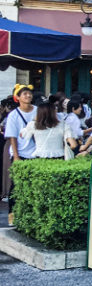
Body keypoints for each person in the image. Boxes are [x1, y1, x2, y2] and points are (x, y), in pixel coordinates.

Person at [4, 85, 37, 220]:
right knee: (16, 186)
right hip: (21, 154)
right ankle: (12, 215)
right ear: (17, 97)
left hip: (36, 153)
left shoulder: (38, 111)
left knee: (34, 185)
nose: (28, 96)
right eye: (24, 94)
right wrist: (16, 156)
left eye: (29, 93)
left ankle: (30, 216)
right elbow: (13, 137)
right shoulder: (13, 115)